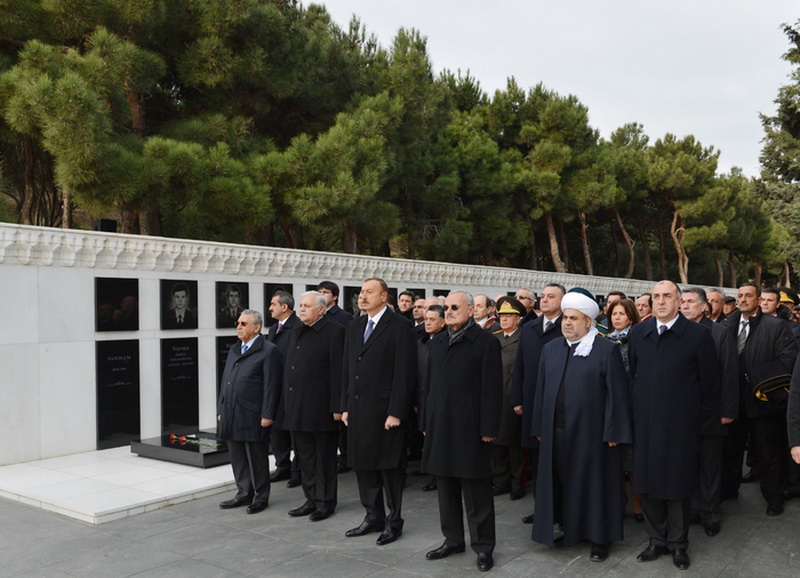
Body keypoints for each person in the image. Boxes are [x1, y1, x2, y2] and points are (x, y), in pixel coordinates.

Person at [532, 288, 632, 562]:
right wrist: (539, 426)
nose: (567, 323)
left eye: (574, 318)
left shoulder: (605, 350)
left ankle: (600, 538)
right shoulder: (550, 349)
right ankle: (571, 530)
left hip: (593, 435)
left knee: (595, 487)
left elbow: (617, 394)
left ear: (588, 321)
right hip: (557, 433)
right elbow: (540, 390)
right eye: (565, 317)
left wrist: (614, 431)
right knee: (565, 485)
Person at [628, 280, 718, 571]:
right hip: (645, 425)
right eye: (656, 296)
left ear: (680, 301)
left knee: (678, 486)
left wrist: (692, 418)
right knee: (648, 483)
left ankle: (678, 544)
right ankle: (656, 540)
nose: (661, 301)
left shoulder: (698, 335)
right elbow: (635, 375)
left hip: (681, 425)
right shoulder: (639, 332)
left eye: (667, 296)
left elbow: (709, 383)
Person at [421, 290, 502, 572]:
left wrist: (489, 427)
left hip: (471, 428)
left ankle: (483, 547)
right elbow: (428, 386)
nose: (449, 311)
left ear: (470, 310)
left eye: (455, 307)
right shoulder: (439, 341)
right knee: (445, 488)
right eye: (446, 308)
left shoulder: (485, 343)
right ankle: (453, 539)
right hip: (440, 426)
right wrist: (426, 423)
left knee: (476, 491)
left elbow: (492, 389)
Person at [341, 278, 416, 546]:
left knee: (389, 469)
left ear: (384, 297)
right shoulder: (355, 325)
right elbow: (348, 369)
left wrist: (396, 411)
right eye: (361, 292)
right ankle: (372, 516)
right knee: (364, 466)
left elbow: (404, 372)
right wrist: (345, 405)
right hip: (359, 409)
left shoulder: (400, 327)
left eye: (369, 292)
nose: (362, 296)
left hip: (385, 411)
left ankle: (393, 521)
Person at [721, 283, 797, 515]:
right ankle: (728, 490)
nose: (743, 299)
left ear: (758, 300)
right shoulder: (727, 325)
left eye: (749, 296)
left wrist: (754, 376)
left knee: (768, 453)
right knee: (731, 450)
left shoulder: (776, 327)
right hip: (733, 402)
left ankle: (774, 499)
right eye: (740, 296)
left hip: (763, 402)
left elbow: (789, 361)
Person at [281, 291, 345, 522]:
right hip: (297, 407)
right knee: (305, 457)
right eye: (300, 305)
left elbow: (339, 372)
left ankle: (326, 502)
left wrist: (338, 406)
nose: (301, 309)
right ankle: (311, 498)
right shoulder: (297, 330)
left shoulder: (335, 331)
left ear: (321, 309)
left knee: (324, 459)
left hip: (321, 409)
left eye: (307, 306)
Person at [680, 287, 738, 537]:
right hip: (684, 414)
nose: (685, 306)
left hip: (713, 412)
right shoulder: (677, 331)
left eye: (691, 302)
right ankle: (692, 510)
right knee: (688, 465)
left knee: (710, 467)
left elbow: (729, 373)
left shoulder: (720, 333)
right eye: (682, 302)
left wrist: (727, 410)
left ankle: (711, 514)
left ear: (704, 306)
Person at [217, 310, 283, 514]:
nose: (238, 326)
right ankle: (243, 492)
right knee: (237, 456)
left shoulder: (269, 350)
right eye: (238, 323)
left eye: (244, 323)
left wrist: (268, 414)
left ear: (256, 327)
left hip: (253, 412)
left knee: (256, 457)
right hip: (231, 411)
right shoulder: (235, 349)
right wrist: (221, 407)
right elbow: (226, 380)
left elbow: (272, 386)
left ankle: (260, 496)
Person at [511, 283, 565, 524]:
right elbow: (519, 366)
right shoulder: (530, 327)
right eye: (542, 296)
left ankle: (561, 509)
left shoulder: (568, 326)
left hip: (558, 405)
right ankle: (541, 509)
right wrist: (518, 399)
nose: (544, 300)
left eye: (550, 296)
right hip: (532, 402)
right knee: (536, 460)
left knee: (557, 461)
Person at [606, 298, 643, 523]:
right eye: (613, 314)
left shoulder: (638, 340)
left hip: (633, 406)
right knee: (614, 460)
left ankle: (638, 502)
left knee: (633, 460)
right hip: (611, 406)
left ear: (631, 316)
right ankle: (619, 501)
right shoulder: (604, 342)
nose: (617, 318)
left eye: (621, 313)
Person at [490, 297, 526, 500]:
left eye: (508, 316)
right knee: (496, 443)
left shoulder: (523, 338)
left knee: (514, 445)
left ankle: (516, 483)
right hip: (496, 397)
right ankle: (500, 480)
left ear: (518, 318)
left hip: (512, 397)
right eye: (501, 315)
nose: (503, 319)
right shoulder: (494, 337)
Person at [266, 290, 303, 487]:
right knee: (277, 429)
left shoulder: (298, 327)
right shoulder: (274, 329)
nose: (270, 308)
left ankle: (298, 470)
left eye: (273, 304)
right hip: (276, 386)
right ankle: (282, 466)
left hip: (292, 387)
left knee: (294, 431)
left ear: (284, 307)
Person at [417, 303, 446, 493]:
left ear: (442, 322)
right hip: (422, 399)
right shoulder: (421, 342)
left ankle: (440, 478)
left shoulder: (445, 343)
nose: (427, 323)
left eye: (432, 320)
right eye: (426, 319)